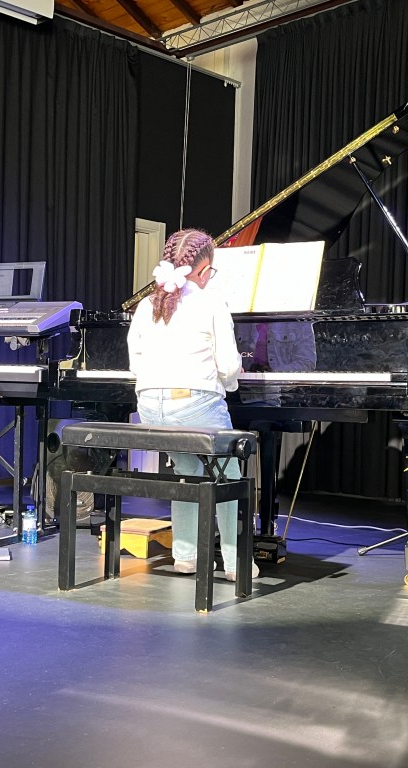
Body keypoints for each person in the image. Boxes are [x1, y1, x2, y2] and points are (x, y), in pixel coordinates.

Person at [127, 228, 258, 582]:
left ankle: (186, 556)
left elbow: (136, 365)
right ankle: (235, 563)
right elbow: (228, 367)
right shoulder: (211, 303)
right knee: (228, 473)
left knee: (187, 468)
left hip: (149, 407)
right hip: (192, 406)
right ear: (202, 270)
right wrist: (228, 382)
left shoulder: (146, 305)